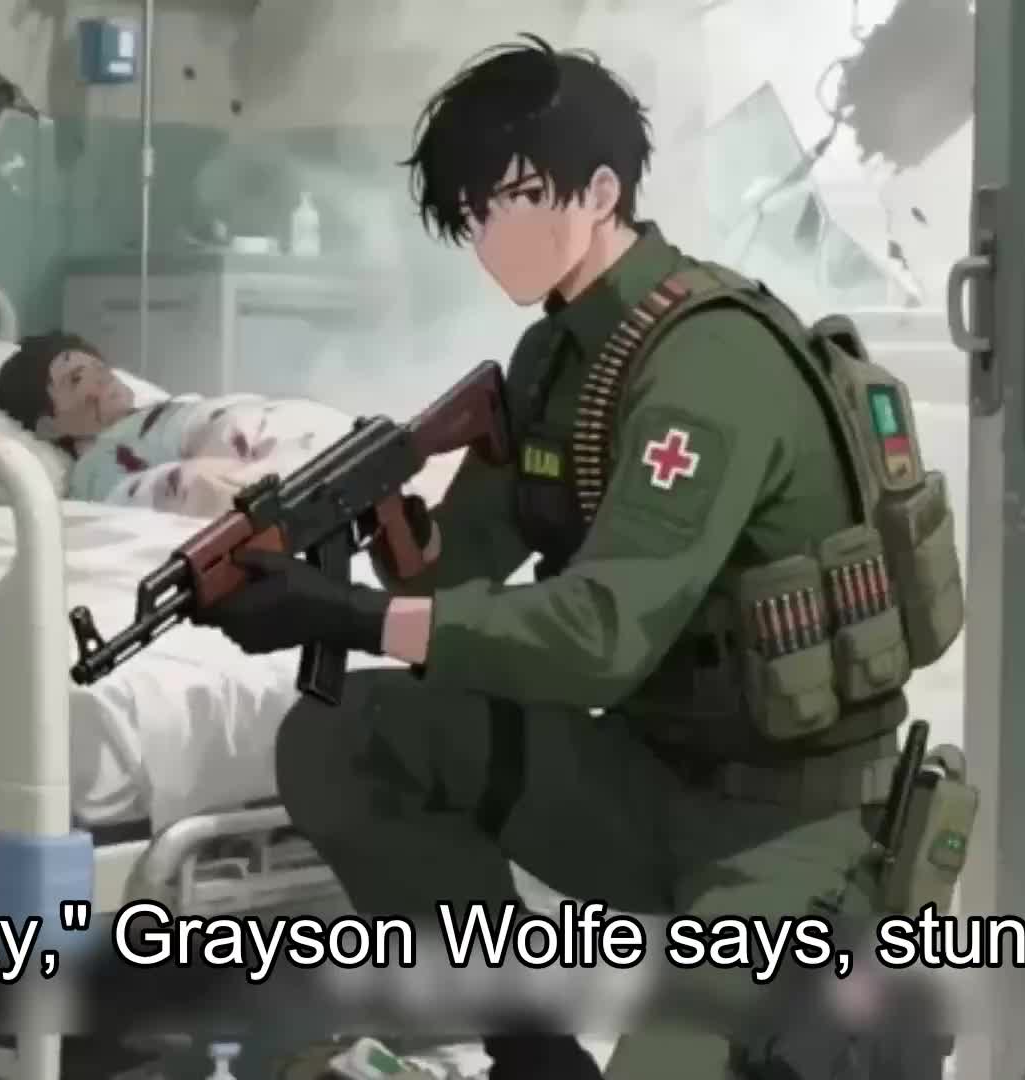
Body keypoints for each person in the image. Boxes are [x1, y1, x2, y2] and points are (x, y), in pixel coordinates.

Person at [194, 36, 958, 1080]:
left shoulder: (710, 362)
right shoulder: (555, 360)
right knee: (344, 736)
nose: (487, 235)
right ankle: (530, 1050)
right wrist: (369, 535)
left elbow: (600, 638)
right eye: (472, 213)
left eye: (510, 199)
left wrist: (348, 617)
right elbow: (454, 585)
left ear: (600, 191)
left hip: (791, 831)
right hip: (642, 785)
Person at [0, 331, 136, 457]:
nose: (102, 374)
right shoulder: (103, 467)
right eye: (77, 378)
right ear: (48, 427)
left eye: (97, 365)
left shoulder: (143, 424)